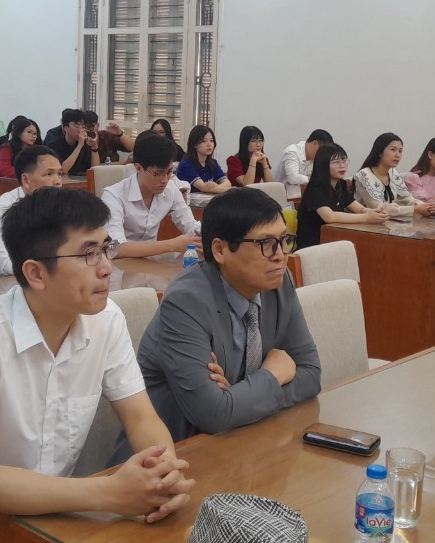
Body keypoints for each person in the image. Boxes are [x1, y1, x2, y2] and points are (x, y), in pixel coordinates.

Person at [0, 186, 193, 541]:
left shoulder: (107, 319)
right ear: (36, 274)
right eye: (88, 254)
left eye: (106, 249)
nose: (106, 267)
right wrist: (109, 493)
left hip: (49, 520)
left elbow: (141, 418)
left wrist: (163, 476)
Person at [125, 186, 320, 455]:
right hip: (175, 456)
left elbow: (311, 375)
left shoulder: (278, 281)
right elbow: (214, 415)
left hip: (244, 445)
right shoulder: (185, 302)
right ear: (220, 250)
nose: (280, 254)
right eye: (265, 244)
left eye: (284, 240)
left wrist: (238, 396)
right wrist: (272, 376)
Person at [103, 134, 201, 258]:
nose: (165, 180)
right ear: (138, 168)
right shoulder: (114, 196)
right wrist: (172, 245)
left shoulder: (171, 189)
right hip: (121, 263)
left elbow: (190, 224)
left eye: (169, 172)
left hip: (152, 260)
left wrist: (206, 233)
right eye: (158, 174)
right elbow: (114, 249)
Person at [0, 145, 62, 275]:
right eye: (49, 174)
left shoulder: (58, 203)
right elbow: (8, 266)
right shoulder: (5, 209)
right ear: (26, 180)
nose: (58, 181)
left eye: (60, 174)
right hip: (8, 282)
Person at [297, 143, 388, 249]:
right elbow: (330, 217)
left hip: (334, 239)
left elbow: (359, 209)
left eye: (344, 160)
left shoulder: (341, 184)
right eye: (336, 162)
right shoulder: (315, 188)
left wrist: (374, 212)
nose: (342, 165)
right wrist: (367, 217)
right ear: (323, 164)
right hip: (314, 245)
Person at [352, 133, 435, 217]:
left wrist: (426, 206)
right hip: (363, 222)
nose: (397, 155)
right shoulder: (364, 176)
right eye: (393, 150)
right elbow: (379, 208)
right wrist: (415, 209)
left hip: (387, 221)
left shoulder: (393, 172)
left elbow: (406, 198)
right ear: (380, 152)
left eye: (400, 151)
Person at [277, 129, 331, 200]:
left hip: (299, 196)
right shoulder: (292, 152)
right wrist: (313, 178)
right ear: (315, 143)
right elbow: (293, 178)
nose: (322, 155)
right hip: (279, 196)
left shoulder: (314, 157)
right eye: (322, 151)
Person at [176, 125, 231, 194]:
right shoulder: (186, 164)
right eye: (204, 141)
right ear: (195, 144)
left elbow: (227, 183)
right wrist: (229, 190)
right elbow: (203, 188)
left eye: (211, 141)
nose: (209, 144)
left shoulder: (213, 163)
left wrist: (217, 186)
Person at [45, 108, 99, 176]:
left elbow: (96, 171)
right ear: (66, 128)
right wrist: (79, 146)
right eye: (76, 126)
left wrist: (94, 147)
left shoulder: (86, 144)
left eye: (82, 126)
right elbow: (62, 171)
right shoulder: (54, 146)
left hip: (82, 181)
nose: (80, 129)